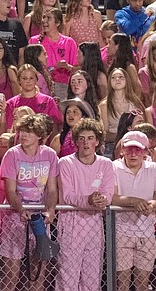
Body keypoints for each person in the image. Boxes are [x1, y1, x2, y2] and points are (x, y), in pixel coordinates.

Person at [0, 114, 58, 291]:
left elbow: (52, 190)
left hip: (40, 219)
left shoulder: (49, 155)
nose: (23, 135)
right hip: (15, 218)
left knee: (38, 272)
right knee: (10, 273)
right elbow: (10, 190)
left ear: (39, 135)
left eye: (29, 132)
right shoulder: (12, 154)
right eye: (21, 131)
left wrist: (51, 210)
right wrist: (20, 209)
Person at [56, 117, 115, 291]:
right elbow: (68, 196)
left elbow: (108, 193)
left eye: (90, 138)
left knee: (92, 278)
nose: (86, 142)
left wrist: (102, 200)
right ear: (75, 142)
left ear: (97, 141)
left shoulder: (106, 164)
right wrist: (88, 200)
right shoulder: (65, 163)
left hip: (95, 224)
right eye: (81, 138)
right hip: (70, 223)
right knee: (67, 278)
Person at [111, 130, 156, 291]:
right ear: (122, 150)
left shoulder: (153, 168)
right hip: (121, 232)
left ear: (145, 152)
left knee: (142, 284)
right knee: (121, 283)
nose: (133, 154)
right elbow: (112, 197)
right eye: (129, 149)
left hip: (147, 232)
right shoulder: (114, 167)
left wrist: (152, 204)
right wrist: (133, 202)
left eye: (138, 150)